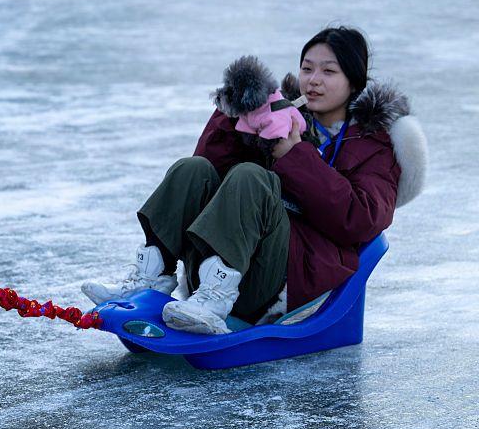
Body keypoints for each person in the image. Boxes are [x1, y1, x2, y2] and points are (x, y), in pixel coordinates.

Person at [82, 26, 421, 334]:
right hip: (226, 260)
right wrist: (236, 115)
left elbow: (360, 220)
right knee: (192, 169)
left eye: (329, 71)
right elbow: (210, 170)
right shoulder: (282, 112)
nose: (313, 80)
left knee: (251, 176)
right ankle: (151, 277)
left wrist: (295, 156)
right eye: (307, 68)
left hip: (290, 277)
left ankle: (216, 300)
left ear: (354, 82)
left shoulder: (372, 144)